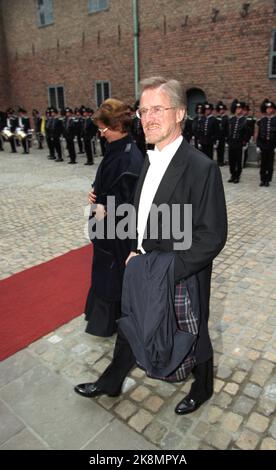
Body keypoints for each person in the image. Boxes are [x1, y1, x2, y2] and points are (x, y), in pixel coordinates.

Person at [75, 77, 227, 415]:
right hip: (142, 263)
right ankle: (111, 381)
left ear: (180, 114)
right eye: (143, 111)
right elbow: (142, 210)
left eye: (157, 109)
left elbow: (212, 235)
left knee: (193, 332)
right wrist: (131, 246)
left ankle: (202, 388)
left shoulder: (202, 168)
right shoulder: (147, 159)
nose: (148, 118)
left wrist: (164, 270)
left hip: (177, 271)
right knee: (131, 324)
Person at [84, 98, 144, 337]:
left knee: (111, 275)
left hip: (117, 230)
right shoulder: (116, 148)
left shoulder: (130, 156)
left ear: (118, 127)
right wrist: (94, 189)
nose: (100, 133)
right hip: (104, 224)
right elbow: (106, 179)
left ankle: (111, 322)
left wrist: (105, 205)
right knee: (102, 270)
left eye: (103, 128)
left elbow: (133, 198)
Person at [256, 99, 276, 187]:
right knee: (263, 163)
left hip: (272, 145)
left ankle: (268, 180)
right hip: (263, 145)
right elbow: (259, 134)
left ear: (273, 110)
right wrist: (258, 145)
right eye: (267, 108)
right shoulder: (262, 120)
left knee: (270, 164)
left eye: (270, 108)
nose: (269, 110)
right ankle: (262, 179)